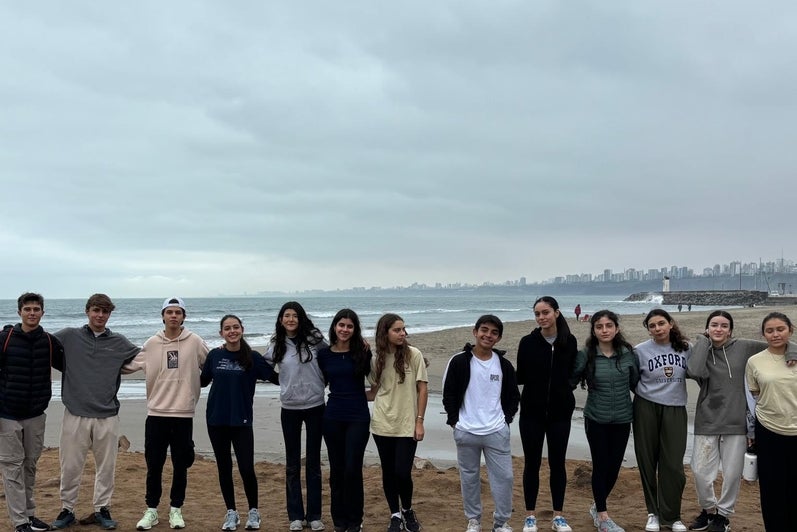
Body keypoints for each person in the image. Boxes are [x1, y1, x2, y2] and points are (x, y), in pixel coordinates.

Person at [686, 310, 797, 532]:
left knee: (732, 474)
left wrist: (792, 350)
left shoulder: (744, 346)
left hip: (737, 421)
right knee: (700, 472)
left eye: (724, 326)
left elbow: (777, 342)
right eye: (714, 325)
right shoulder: (701, 348)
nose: (719, 329)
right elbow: (694, 370)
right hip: (707, 419)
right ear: (707, 328)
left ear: (731, 330)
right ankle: (708, 509)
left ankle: (723, 516)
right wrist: (703, 341)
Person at [50, 294, 140, 530]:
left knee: (106, 467)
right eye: (96, 310)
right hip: (75, 413)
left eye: (105, 311)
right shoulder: (69, 336)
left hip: (107, 415)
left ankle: (102, 509)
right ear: (87, 311)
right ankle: (67, 509)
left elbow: (145, 357)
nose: (100, 315)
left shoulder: (119, 342)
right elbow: (41, 345)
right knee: (70, 466)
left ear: (109, 314)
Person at [124, 297, 209, 531]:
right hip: (156, 414)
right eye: (169, 312)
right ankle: (151, 510)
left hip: (183, 414)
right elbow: (127, 366)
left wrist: (197, 385)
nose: (173, 316)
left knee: (181, 466)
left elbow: (211, 365)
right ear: (163, 316)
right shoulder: (152, 343)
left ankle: (175, 510)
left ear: (184, 316)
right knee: (154, 465)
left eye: (178, 312)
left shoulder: (195, 342)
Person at [442, 314, 519, 532]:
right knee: (469, 478)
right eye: (484, 330)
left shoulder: (503, 365)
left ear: (499, 338)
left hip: (496, 430)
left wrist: (506, 420)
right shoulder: (459, 361)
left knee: (504, 478)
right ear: (475, 332)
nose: (488, 335)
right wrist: (455, 422)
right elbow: (449, 394)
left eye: (494, 332)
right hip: (466, 430)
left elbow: (513, 396)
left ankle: (501, 522)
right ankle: (473, 520)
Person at [201, 315, 275, 531]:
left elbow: (276, 377)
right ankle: (231, 512)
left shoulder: (253, 357)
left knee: (246, 468)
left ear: (242, 329)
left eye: (235, 327)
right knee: (224, 468)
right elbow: (202, 381)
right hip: (216, 419)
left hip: (241, 421)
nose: (232, 331)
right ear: (221, 333)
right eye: (227, 328)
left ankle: (254, 511)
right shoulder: (214, 355)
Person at [0, 293, 64, 532]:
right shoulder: (5, 339)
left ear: (42, 313)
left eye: (36, 309)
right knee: (12, 468)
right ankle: (20, 522)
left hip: (36, 414)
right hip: (7, 415)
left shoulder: (49, 341)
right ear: (19, 312)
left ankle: (29, 515)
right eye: (27, 309)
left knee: (29, 466)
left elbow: (72, 366)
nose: (32, 313)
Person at [571, 310, 639, 532]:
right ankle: (602, 516)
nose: (604, 330)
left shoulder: (627, 354)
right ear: (593, 330)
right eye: (599, 326)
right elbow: (570, 381)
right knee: (600, 465)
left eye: (609, 325)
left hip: (622, 418)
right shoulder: (586, 355)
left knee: (614, 467)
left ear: (616, 328)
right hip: (596, 419)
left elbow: (636, 384)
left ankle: (596, 506)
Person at [264, 302, 328, 532]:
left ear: (301, 318)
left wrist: (322, 383)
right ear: (281, 319)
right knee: (292, 464)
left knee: (313, 462)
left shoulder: (315, 339)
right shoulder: (277, 343)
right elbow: (264, 366)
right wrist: (282, 383)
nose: (290, 319)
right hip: (289, 408)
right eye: (286, 315)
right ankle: (296, 516)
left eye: (295, 316)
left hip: (315, 406)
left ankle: (314, 516)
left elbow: (331, 357)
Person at [515, 296, 577, 532]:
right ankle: (530, 516)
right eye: (537, 314)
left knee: (557, 463)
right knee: (531, 464)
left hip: (560, 414)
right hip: (531, 413)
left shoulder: (569, 341)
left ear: (556, 313)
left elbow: (573, 373)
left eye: (545, 312)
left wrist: (564, 391)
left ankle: (558, 516)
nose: (541, 317)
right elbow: (520, 376)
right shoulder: (527, 342)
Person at [368, 313, 429, 532]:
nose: (402, 333)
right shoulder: (376, 359)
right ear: (385, 333)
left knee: (403, 472)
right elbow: (374, 392)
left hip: (407, 424)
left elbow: (423, 389)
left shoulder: (414, 354)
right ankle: (395, 514)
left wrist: (419, 421)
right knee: (388, 472)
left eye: (403, 329)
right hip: (382, 424)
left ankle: (408, 510)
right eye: (397, 330)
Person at [634, 310, 691, 532]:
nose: (657, 328)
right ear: (648, 329)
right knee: (647, 461)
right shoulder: (640, 351)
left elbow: (700, 369)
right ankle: (653, 513)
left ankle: (672, 516)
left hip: (675, 408)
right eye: (652, 325)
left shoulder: (685, 348)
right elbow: (632, 379)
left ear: (670, 324)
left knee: (673, 465)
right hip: (646, 407)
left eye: (661, 323)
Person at [316, 309, 372, 532]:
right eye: (341, 325)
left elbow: (376, 378)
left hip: (358, 416)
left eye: (349, 326)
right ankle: (339, 520)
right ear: (334, 327)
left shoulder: (363, 352)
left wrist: (372, 394)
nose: (345, 330)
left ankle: (355, 520)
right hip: (332, 416)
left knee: (352, 468)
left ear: (355, 329)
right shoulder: (324, 355)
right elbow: (319, 380)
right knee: (337, 469)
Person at [745, 312, 797, 531]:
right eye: (770, 330)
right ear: (763, 334)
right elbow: (755, 395)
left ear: (790, 330)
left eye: (780, 329)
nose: (775, 334)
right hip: (768, 430)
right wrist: (751, 432)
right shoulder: (754, 361)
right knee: (772, 489)